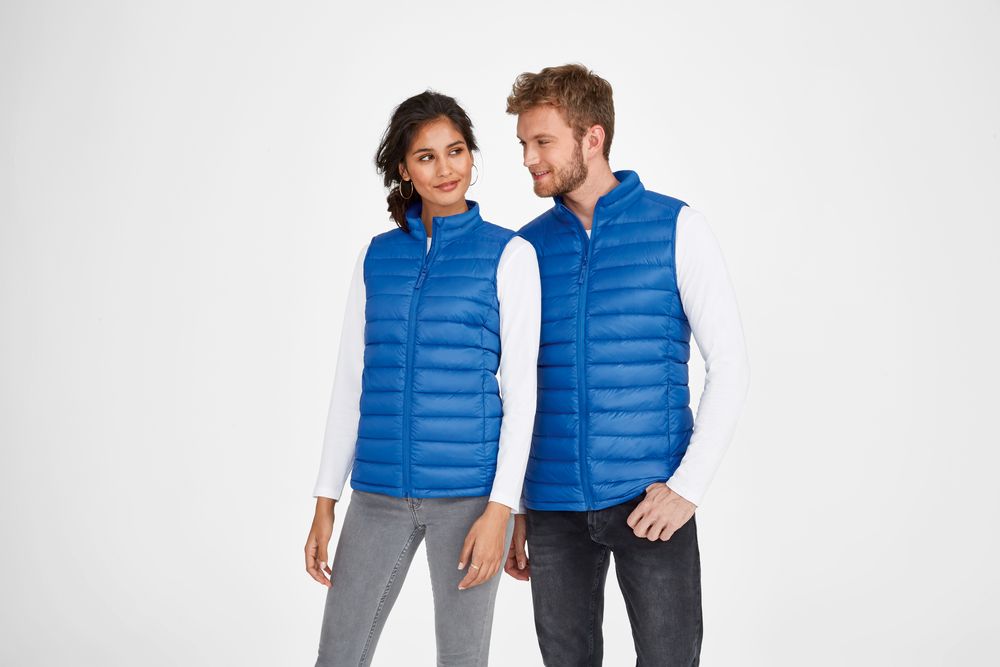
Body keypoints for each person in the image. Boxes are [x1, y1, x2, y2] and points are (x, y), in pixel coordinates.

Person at [502, 64, 751, 666]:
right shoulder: (525, 248)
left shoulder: (677, 227)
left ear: (592, 138)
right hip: (552, 505)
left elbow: (730, 365)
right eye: (523, 144)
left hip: (650, 501)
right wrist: (517, 504)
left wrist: (687, 489)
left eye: (543, 142)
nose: (529, 159)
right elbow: (514, 383)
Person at [305, 90, 541, 667]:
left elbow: (522, 395)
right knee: (338, 656)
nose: (445, 168)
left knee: (461, 659)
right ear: (404, 169)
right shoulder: (377, 257)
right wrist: (326, 499)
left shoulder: (509, 255)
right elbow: (350, 384)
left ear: (472, 155)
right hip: (377, 492)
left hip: (469, 499)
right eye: (426, 157)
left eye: (455, 150)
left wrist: (502, 509)